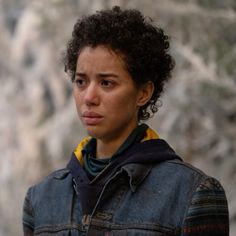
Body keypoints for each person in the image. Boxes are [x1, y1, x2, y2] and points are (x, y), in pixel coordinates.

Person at [22, 6, 229, 236]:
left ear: (143, 93)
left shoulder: (190, 194)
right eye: (81, 81)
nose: (89, 97)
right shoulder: (42, 198)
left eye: (107, 83)